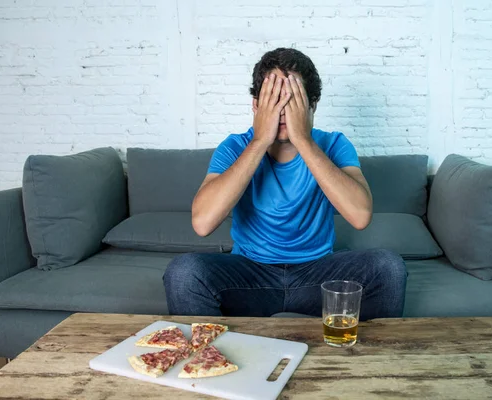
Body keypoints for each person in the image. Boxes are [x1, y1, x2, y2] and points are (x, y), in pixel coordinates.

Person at [163, 48, 407, 320]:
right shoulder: (235, 146)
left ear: (311, 106)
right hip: (250, 276)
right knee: (184, 272)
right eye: (273, 100)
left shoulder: (334, 144)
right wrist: (259, 142)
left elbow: (360, 216)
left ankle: (368, 361)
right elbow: (203, 224)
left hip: (317, 275)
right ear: (256, 105)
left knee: (388, 267)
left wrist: (303, 140)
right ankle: (209, 361)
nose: (281, 111)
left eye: (291, 101)